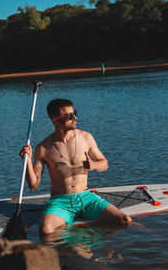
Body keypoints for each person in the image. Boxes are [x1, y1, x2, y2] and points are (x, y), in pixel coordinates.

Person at [20, 99, 132, 236]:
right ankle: (69, 246)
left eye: (75, 113)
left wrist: (94, 165)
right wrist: (27, 160)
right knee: (45, 230)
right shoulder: (43, 148)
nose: (75, 118)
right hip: (60, 201)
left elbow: (105, 164)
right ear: (56, 121)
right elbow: (33, 185)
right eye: (70, 116)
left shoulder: (86, 137)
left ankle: (89, 242)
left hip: (86, 198)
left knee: (125, 220)